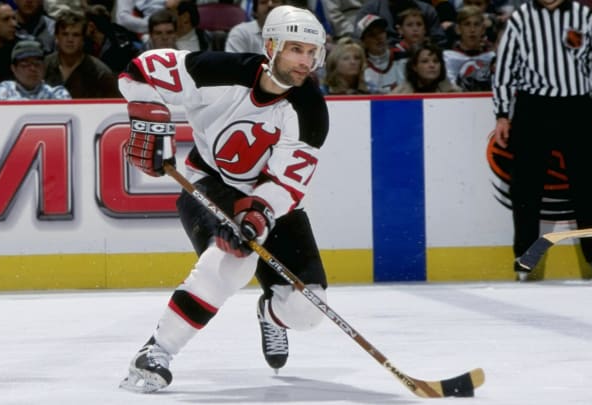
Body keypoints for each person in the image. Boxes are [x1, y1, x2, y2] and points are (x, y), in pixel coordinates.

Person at [117, 4, 330, 393]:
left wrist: (259, 214)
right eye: (297, 49)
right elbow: (140, 69)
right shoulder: (218, 71)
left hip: (273, 204)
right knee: (234, 259)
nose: (306, 61)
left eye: (312, 52)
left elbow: (286, 184)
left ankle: (270, 313)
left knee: (307, 310)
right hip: (209, 183)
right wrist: (148, 113)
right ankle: (156, 351)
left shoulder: (310, 109)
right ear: (271, 46)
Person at [492, 0, 592, 281]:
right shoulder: (521, 18)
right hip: (533, 107)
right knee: (526, 188)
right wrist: (501, 113)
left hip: (575, 107)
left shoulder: (582, 16)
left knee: (588, 185)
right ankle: (526, 256)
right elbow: (505, 67)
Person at [43, 10, 120, 98]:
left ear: (83, 39)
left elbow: (113, 106)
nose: (70, 40)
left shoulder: (100, 73)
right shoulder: (44, 66)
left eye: (75, 35)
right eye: (65, 34)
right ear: (56, 36)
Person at [0, 40, 71, 100]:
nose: (32, 69)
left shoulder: (57, 94)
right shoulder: (3, 90)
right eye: (25, 65)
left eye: (37, 64)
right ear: (13, 69)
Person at [442, 5, 495, 91]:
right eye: (467, 24)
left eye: (476, 24)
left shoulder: (492, 58)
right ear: (458, 29)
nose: (472, 30)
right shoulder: (447, 57)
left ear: (483, 29)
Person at [357, 14, 406, 93]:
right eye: (372, 35)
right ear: (363, 42)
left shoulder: (403, 57)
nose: (378, 37)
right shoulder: (360, 67)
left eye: (381, 32)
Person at [393, 40, 460, 92]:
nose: (432, 65)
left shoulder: (454, 93)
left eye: (436, 61)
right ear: (414, 67)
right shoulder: (398, 95)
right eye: (425, 61)